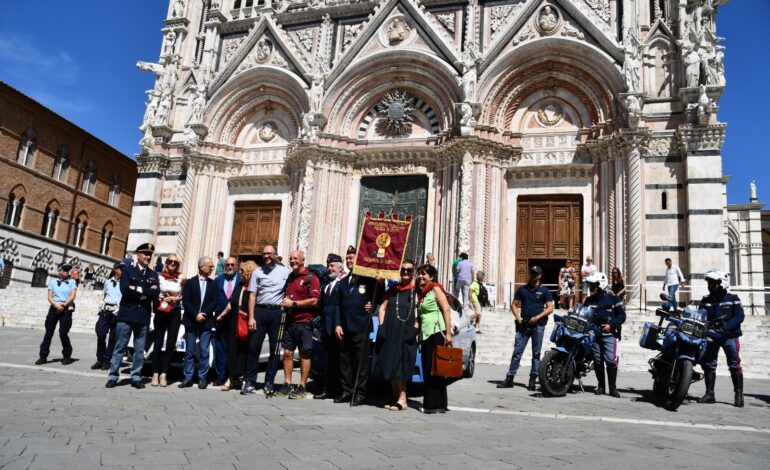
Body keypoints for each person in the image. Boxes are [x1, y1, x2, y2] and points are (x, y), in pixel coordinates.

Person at [106, 243, 160, 389]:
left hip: (143, 316)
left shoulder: (153, 274)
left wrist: (137, 288)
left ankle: (136, 376)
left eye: (150, 254)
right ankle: (113, 375)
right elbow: (125, 290)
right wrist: (145, 291)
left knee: (139, 349)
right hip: (127, 314)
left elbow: (155, 293)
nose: (148, 256)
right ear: (138, 255)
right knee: (120, 347)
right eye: (145, 253)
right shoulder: (128, 271)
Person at [243, 245, 290, 395]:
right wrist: (251, 317)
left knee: (274, 350)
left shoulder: (286, 272)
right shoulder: (257, 272)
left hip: (277, 312)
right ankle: (250, 381)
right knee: (253, 348)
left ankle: (269, 382)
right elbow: (252, 295)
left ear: (276, 254)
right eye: (264, 254)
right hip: (260, 311)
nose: (266, 256)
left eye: (270, 253)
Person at [498, 266, 554, 391]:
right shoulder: (522, 289)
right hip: (524, 325)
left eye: (535, 274)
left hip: (538, 325)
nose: (533, 276)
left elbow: (550, 308)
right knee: (517, 352)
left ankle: (533, 379)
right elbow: (514, 304)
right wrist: (518, 318)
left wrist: (537, 317)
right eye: (531, 273)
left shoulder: (544, 291)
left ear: (540, 276)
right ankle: (510, 377)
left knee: (536, 353)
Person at [275, 250, 320, 399]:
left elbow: (314, 300)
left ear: (302, 260)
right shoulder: (290, 277)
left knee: (304, 354)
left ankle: (302, 385)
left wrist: (294, 303)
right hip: (290, 321)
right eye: (291, 258)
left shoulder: (311, 278)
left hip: (305, 322)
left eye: (295, 258)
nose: (293, 260)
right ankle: (287, 384)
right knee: (287, 353)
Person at [335, 260, 379, 406]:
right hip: (344, 327)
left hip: (361, 326)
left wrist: (372, 306)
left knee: (361, 362)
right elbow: (337, 305)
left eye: (352, 258)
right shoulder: (343, 282)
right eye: (347, 258)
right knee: (345, 361)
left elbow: (377, 298)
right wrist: (337, 324)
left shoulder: (368, 280)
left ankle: (359, 393)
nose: (349, 261)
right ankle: (346, 391)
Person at [698, 270, 745, 407]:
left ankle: (738, 395)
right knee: (709, 364)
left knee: (734, 365)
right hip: (712, 337)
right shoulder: (705, 300)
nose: (711, 285)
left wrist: (725, 328)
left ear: (722, 283)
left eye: (714, 283)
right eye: (709, 283)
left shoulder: (733, 298)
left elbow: (739, 316)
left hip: (730, 336)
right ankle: (709, 394)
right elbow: (700, 316)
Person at [376, 260, 418, 411]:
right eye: (403, 270)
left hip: (406, 332)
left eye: (409, 270)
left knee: (401, 365)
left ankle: (403, 399)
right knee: (392, 364)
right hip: (390, 331)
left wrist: (414, 329)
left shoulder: (416, 291)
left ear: (414, 272)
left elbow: (421, 313)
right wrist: (381, 325)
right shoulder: (393, 289)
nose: (405, 272)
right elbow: (382, 308)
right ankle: (395, 397)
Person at [415, 263, 453, 414]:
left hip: (436, 332)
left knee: (434, 368)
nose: (420, 276)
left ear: (431, 277)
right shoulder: (422, 293)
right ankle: (438, 403)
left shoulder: (435, 288)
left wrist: (448, 334)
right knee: (431, 368)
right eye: (419, 273)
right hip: (426, 333)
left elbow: (446, 309)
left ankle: (433, 404)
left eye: (424, 274)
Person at [584, 272, 626, 398]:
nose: (591, 286)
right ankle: (601, 386)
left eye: (593, 284)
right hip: (594, 334)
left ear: (600, 284)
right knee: (597, 360)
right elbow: (584, 313)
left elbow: (622, 316)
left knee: (610, 360)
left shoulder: (614, 299)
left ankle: (612, 388)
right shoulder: (589, 300)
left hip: (608, 334)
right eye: (590, 284)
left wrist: (611, 325)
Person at [179, 257, 217, 389]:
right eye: (210, 266)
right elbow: (186, 301)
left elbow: (214, 301)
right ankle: (188, 377)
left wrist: (203, 314)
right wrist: (195, 314)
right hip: (191, 320)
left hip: (206, 322)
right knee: (189, 351)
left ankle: (202, 377)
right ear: (201, 267)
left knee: (204, 351)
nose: (212, 268)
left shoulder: (213, 284)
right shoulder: (190, 283)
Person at [222, 261, 257, 391]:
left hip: (247, 323)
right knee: (232, 350)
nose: (239, 273)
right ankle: (231, 378)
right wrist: (221, 316)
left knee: (245, 352)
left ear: (248, 273)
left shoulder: (255, 288)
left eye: (242, 271)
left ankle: (243, 378)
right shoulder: (239, 285)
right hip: (234, 322)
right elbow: (231, 303)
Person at [151, 254, 185, 387]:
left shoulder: (182, 278)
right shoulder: (158, 276)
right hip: (161, 310)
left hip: (175, 311)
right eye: (170, 261)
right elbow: (153, 293)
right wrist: (161, 299)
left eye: (175, 262)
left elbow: (184, 295)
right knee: (158, 342)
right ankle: (154, 373)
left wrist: (178, 299)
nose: (172, 264)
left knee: (170, 343)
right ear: (166, 263)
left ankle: (164, 374)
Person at [313, 255, 344, 400]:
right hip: (325, 327)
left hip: (338, 327)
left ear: (340, 268)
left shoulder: (343, 284)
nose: (330, 269)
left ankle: (338, 390)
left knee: (337, 360)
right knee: (326, 359)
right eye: (329, 266)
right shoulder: (325, 286)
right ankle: (326, 389)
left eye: (333, 266)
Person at [36, 263, 78, 365]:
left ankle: (67, 355)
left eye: (67, 270)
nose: (66, 272)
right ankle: (43, 356)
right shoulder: (53, 282)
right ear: (59, 271)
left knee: (63, 333)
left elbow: (72, 296)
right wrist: (55, 305)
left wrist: (63, 305)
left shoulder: (72, 282)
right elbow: (49, 297)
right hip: (54, 307)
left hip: (66, 308)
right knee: (48, 332)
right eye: (63, 270)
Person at [213, 257, 241, 387]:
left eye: (232, 265)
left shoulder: (242, 280)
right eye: (227, 265)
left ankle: (233, 376)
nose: (229, 267)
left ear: (237, 266)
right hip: (221, 318)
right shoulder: (218, 280)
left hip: (237, 318)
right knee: (220, 347)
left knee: (234, 348)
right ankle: (220, 375)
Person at [91, 261, 123, 370]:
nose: (122, 270)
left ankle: (106, 360)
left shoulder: (125, 283)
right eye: (120, 268)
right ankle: (100, 358)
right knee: (100, 333)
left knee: (113, 338)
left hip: (117, 311)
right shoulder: (108, 282)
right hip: (106, 310)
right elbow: (105, 295)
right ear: (115, 269)